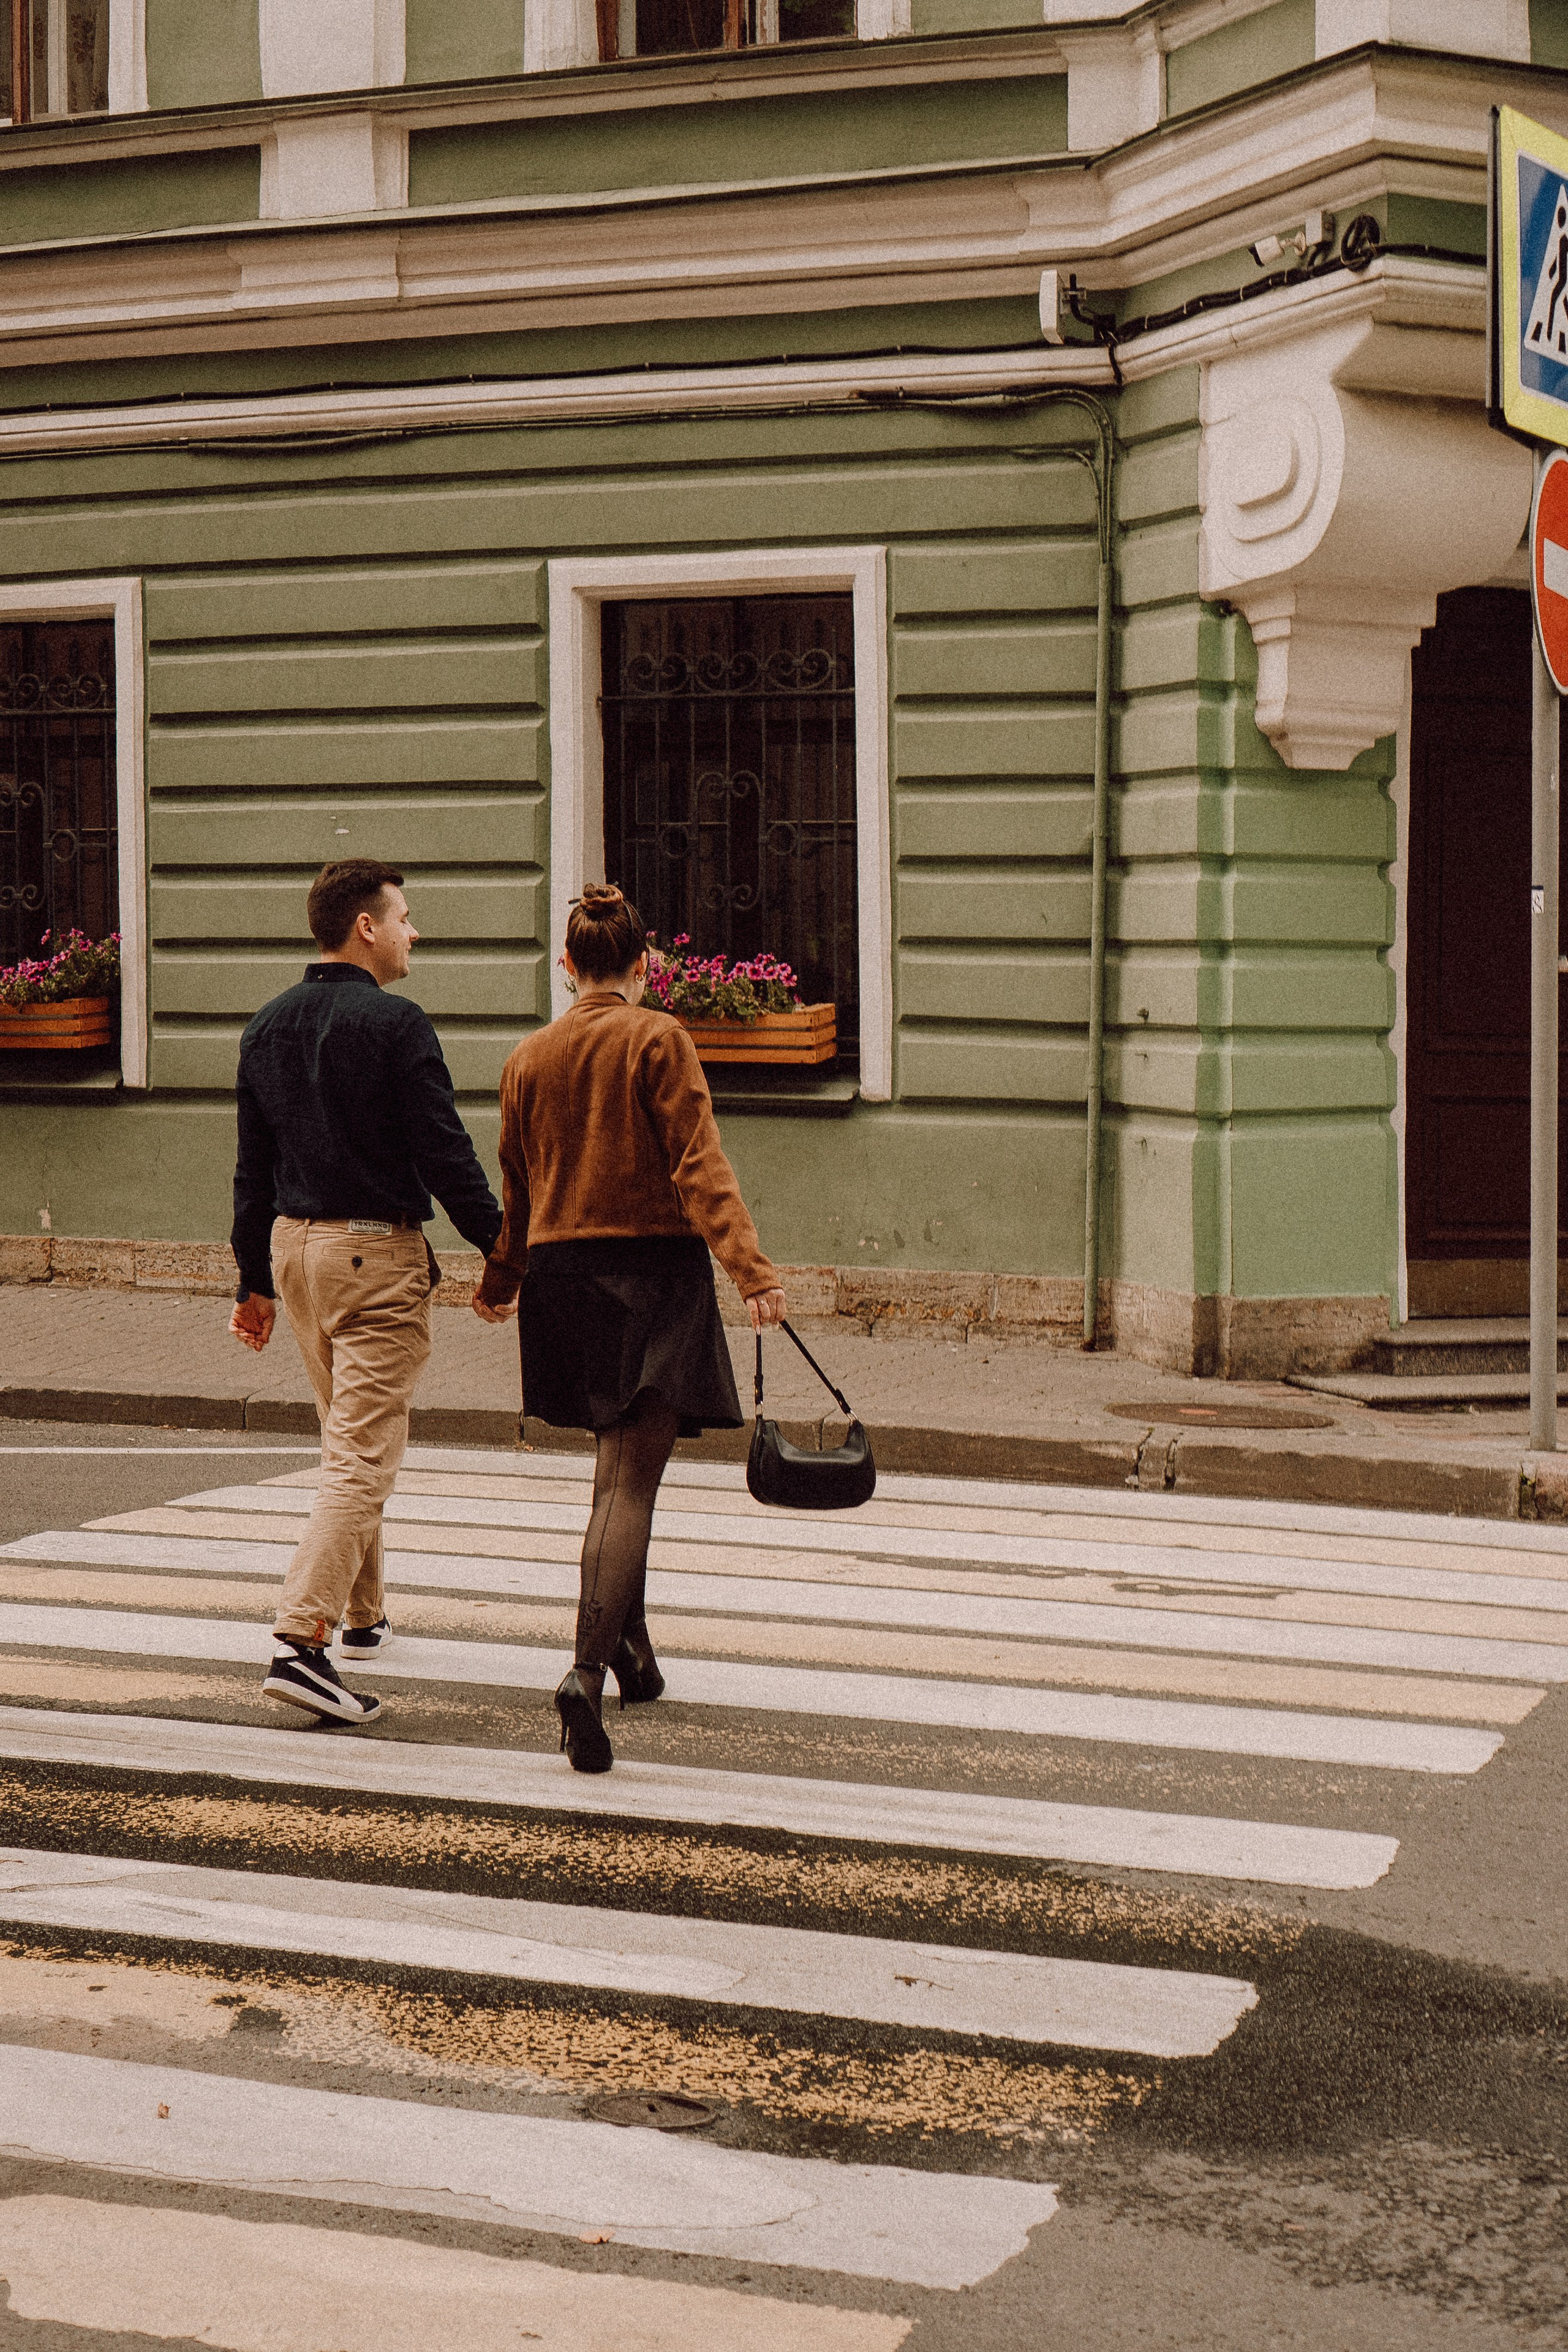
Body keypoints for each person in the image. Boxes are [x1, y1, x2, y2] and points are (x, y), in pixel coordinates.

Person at [475, 883, 785, 1773]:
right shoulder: (659, 1037)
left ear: (568, 966)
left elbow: (519, 1185)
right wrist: (753, 1273)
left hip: (566, 1280)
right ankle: (582, 1674)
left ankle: (632, 1653)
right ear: (644, 965)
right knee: (629, 1486)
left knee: (616, 1471)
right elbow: (701, 1166)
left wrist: (504, 1278)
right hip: (653, 1274)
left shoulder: (528, 1057)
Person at [229, 857, 516, 1728]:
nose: (412, 931)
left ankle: (361, 1618)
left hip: (295, 1252)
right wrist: (505, 1253)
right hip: (372, 1258)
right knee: (361, 1453)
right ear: (366, 927)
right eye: (403, 917)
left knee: (342, 1436)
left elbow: (253, 1168)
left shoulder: (265, 1025)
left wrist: (251, 1280)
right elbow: (445, 1151)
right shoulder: (396, 1025)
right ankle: (300, 1642)